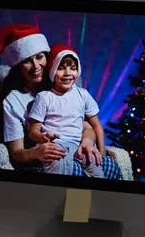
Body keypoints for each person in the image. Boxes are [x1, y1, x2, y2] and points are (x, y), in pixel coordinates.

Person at [0, 24, 118, 177]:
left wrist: (87, 141)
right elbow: (16, 153)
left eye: (40, 57)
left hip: (74, 148)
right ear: (18, 65)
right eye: (27, 61)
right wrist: (35, 152)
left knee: (108, 166)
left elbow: (87, 127)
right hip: (41, 158)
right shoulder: (13, 101)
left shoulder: (62, 84)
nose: (35, 66)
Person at [28, 44, 105, 177]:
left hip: (77, 145)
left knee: (95, 165)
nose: (68, 73)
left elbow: (97, 126)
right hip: (55, 145)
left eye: (73, 68)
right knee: (57, 164)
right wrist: (43, 136)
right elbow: (33, 132)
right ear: (52, 71)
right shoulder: (44, 97)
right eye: (61, 68)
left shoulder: (83, 95)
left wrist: (102, 154)